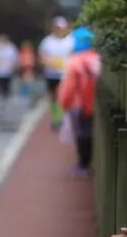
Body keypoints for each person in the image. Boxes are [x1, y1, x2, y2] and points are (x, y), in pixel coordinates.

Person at [58, 27, 100, 175]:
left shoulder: (75, 61)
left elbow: (69, 87)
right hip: (93, 103)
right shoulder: (97, 59)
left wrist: (64, 103)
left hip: (77, 104)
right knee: (89, 133)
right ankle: (86, 163)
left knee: (81, 135)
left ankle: (83, 165)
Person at [39, 16, 76, 129]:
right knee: (53, 97)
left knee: (61, 95)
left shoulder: (70, 41)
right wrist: (49, 63)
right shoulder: (47, 41)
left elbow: (75, 56)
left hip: (65, 74)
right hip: (51, 74)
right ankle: (55, 117)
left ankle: (60, 118)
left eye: (61, 28)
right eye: (57, 28)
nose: (59, 30)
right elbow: (42, 57)